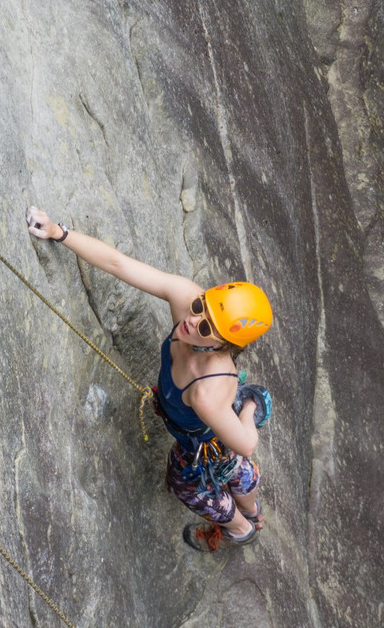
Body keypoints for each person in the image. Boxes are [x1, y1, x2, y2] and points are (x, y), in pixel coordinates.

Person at [25, 206, 273, 552]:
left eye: (205, 327)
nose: (192, 319)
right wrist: (59, 232)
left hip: (204, 439)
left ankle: (241, 528)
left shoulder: (206, 392)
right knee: (234, 467)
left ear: (222, 344)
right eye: (202, 305)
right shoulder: (185, 299)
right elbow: (119, 264)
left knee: (187, 482)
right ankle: (252, 508)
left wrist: (247, 408)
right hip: (214, 421)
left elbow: (244, 443)